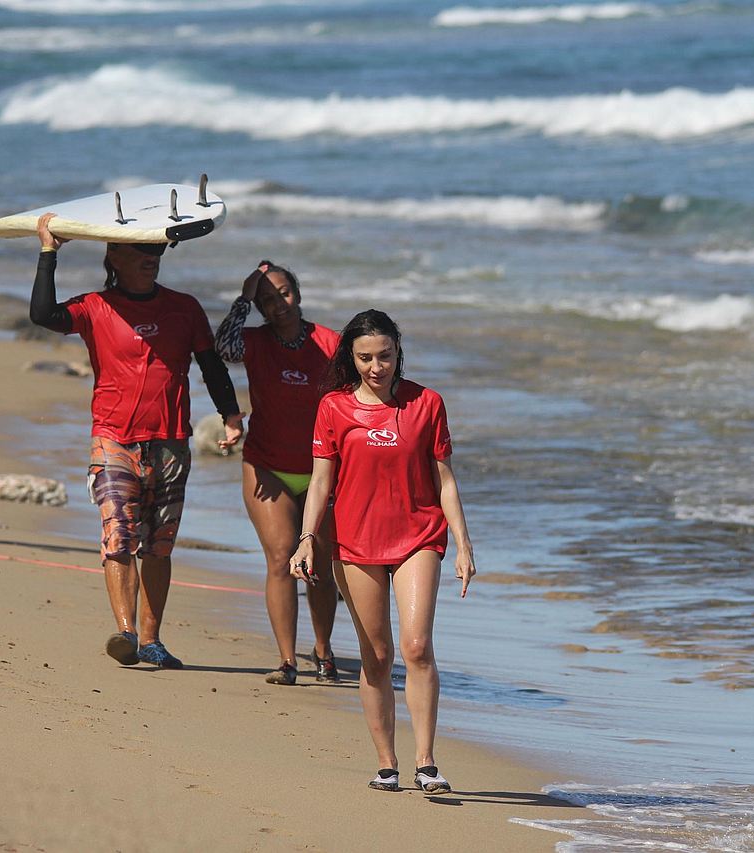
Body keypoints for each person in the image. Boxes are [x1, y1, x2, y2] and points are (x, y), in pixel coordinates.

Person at [29, 214, 244, 669]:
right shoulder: (95, 307)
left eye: (158, 252)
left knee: (160, 546)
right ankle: (125, 632)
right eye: (142, 252)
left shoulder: (184, 308)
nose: (152, 260)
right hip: (114, 440)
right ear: (115, 255)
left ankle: (151, 640)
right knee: (118, 538)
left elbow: (210, 365)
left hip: (171, 442)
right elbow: (42, 315)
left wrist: (230, 416)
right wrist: (49, 252)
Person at [288, 309, 476, 795]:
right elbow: (320, 482)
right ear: (351, 358)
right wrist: (307, 537)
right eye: (366, 358)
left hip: (418, 535)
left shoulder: (427, 403)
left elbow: (445, 479)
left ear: (398, 352)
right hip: (355, 541)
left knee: (416, 647)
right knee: (376, 655)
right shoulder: (333, 407)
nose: (377, 367)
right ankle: (387, 763)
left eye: (386, 356)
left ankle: (426, 762)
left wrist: (462, 542)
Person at [215, 260, 341, 686]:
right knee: (283, 557)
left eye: (284, 293)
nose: (279, 304)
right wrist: (243, 299)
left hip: (322, 471)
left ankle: (323, 652)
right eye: (267, 299)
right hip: (267, 465)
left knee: (320, 564)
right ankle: (287, 661)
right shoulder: (252, 341)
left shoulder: (330, 344)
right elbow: (222, 349)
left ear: (298, 294)